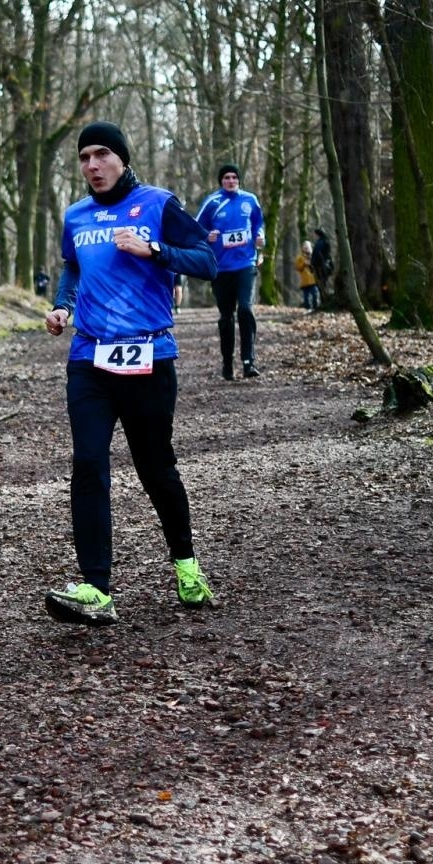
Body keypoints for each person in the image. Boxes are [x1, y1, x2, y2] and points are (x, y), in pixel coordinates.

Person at [43, 121, 218, 627]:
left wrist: (155, 250)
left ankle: (186, 566)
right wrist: (61, 306)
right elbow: (73, 267)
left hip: (149, 356)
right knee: (89, 465)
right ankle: (97, 588)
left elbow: (206, 261)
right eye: (84, 158)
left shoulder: (158, 204)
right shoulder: (76, 215)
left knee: (155, 467)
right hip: (89, 360)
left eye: (101, 155)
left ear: (121, 157)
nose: (92, 166)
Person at [196, 164, 265, 379]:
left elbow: (258, 224)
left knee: (246, 309)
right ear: (221, 181)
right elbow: (197, 228)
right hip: (221, 268)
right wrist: (208, 235)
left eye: (235, 177)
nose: (231, 181)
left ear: (239, 180)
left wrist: (260, 237)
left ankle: (248, 361)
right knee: (226, 317)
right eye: (227, 177)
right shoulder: (212, 202)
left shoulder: (250, 200)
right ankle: (227, 362)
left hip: (245, 264)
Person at [295, 240, 319, 310]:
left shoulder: (313, 256)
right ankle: (308, 309)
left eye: (307, 247)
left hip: (313, 280)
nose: (306, 249)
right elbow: (297, 267)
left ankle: (315, 308)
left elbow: (317, 265)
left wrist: (311, 264)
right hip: (304, 281)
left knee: (315, 295)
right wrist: (304, 264)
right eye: (305, 247)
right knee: (306, 297)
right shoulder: (300, 258)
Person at [310, 228, 334, 296]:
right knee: (322, 283)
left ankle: (323, 298)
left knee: (321, 283)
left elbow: (317, 253)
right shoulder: (325, 241)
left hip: (321, 265)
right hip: (324, 264)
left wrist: (316, 263)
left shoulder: (320, 242)